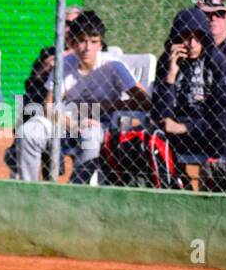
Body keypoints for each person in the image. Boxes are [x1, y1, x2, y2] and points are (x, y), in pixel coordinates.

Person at [9, 11, 149, 183]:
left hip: (101, 124)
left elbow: (144, 101)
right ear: (72, 43)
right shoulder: (64, 65)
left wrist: (108, 105)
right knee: (27, 132)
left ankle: (74, 190)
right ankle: (28, 189)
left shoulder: (114, 66)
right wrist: (74, 124)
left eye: (94, 41)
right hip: (66, 122)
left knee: (90, 135)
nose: (87, 47)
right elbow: (49, 106)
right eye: (82, 40)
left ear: (100, 44)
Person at [151, 7, 226, 162]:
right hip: (175, 133)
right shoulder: (167, 61)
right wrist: (170, 76)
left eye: (198, 37)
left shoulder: (218, 62)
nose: (192, 44)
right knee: (151, 134)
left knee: (224, 131)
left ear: (205, 37)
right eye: (186, 37)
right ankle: (164, 182)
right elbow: (159, 115)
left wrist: (185, 127)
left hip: (207, 131)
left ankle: (216, 180)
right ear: (176, 38)